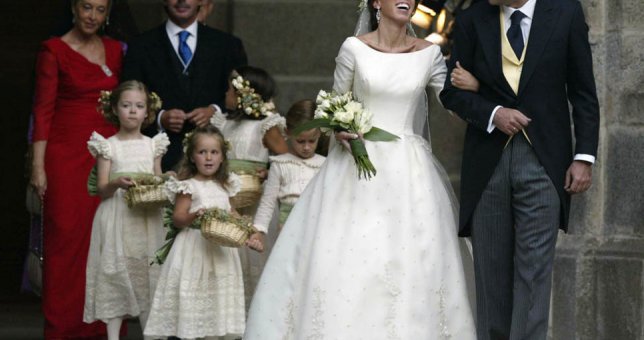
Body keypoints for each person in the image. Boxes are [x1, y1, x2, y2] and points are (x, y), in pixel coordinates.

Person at [243, 0, 477, 338]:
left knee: (411, 253)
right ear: (376, 2)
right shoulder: (354, 47)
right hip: (355, 163)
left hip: (409, 172)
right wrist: (340, 130)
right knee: (349, 251)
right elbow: (334, 107)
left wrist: (476, 88)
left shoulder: (429, 54)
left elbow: (454, 105)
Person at [439, 0, 600, 338]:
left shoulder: (566, 13)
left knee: (534, 275)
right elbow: (451, 93)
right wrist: (493, 111)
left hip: (545, 162)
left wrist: (584, 157)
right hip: (487, 166)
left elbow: (583, 93)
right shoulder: (471, 19)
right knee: (491, 277)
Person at [29, 0, 124, 337]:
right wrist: (38, 168)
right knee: (66, 243)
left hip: (109, 158)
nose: (92, 16)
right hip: (66, 158)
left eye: (100, 10)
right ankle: (63, 329)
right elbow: (42, 112)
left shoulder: (116, 51)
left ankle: (102, 330)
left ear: (108, 13)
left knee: (107, 241)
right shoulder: (54, 51)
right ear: (74, 7)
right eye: (87, 7)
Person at [143, 125, 261, 339]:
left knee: (216, 299)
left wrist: (251, 232)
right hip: (194, 249)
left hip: (221, 251)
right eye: (202, 152)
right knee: (195, 295)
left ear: (222, 157)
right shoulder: (188, 186)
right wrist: (193, 215)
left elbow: (232, 213)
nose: (208, 158)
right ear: (192, 157)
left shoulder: (226, 185)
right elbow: (178, 218)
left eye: (214, 152)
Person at [83, 81, 169, 339]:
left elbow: (157, 179)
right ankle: (112, 335)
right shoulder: (108, 145)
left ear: (147, 112)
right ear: (115, 109)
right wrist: (116, 184)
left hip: (146, 217)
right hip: (118, 216)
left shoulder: (153, 144)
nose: (133, 111)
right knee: (117, 272)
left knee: (146, 273)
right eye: (126, 105)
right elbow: (101, 189)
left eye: (139, 106)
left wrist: (167, 180)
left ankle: (150, 332)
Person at [121, 0, 247, 171]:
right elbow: (126, 96)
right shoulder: (140, 45)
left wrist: (215, 111)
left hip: (213, 158)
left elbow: (244, 96)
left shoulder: (228, 45)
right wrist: (160, 117)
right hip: (158, 159)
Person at [210, 65, 288, 305]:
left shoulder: (265, 125)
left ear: (246, 95)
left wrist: (269, 171)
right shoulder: (224, 123)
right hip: (228, 200)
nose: (225, 95)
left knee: (253, 259)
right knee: (229, 256)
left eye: (230, 91)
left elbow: (285, 158)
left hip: (255, 203)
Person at [252, 99, 326, 234]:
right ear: (288, 132)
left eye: (312, 141)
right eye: (300, 141)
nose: (306, 147)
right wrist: (258, 230)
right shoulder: (280, 164)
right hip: (287, 229)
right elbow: (268, 202)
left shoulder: (325, 165)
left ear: (319, 133)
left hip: (316, 229)